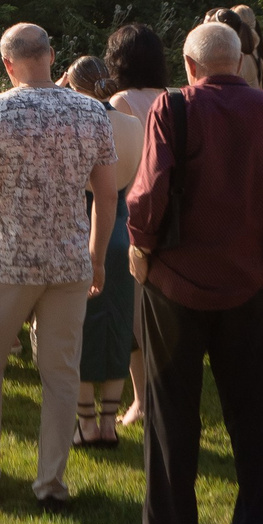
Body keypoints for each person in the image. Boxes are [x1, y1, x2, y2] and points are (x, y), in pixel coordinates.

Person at [126, 22, 263, 524]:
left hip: (175, 280)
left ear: (189, 65)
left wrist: (140, 246)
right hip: (248, 280)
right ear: (237, 63)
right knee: (254, 412)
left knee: (171, 412)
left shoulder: (173, 107)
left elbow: (148, 191)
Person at [0, 22, 121, 511]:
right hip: (68, 262)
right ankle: (51, 485)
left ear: (7, 64)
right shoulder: (92, 112)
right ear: (52, 56)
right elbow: (105, 192)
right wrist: (97, 256)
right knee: (60, 375)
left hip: (8, 264)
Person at [63, 55, 143, 449]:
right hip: (124, 230)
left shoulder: (75, 123)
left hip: (85, 227)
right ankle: (109, 421)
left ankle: (86, 423)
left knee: (79, 327)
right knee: (117, 326)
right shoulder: (133, 125)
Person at [101, 26, 165, 434]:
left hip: (134, 208)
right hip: (171, 210)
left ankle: (143, 401)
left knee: (136, 314)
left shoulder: (120, 102)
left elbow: (118, 163)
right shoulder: (172, 96)